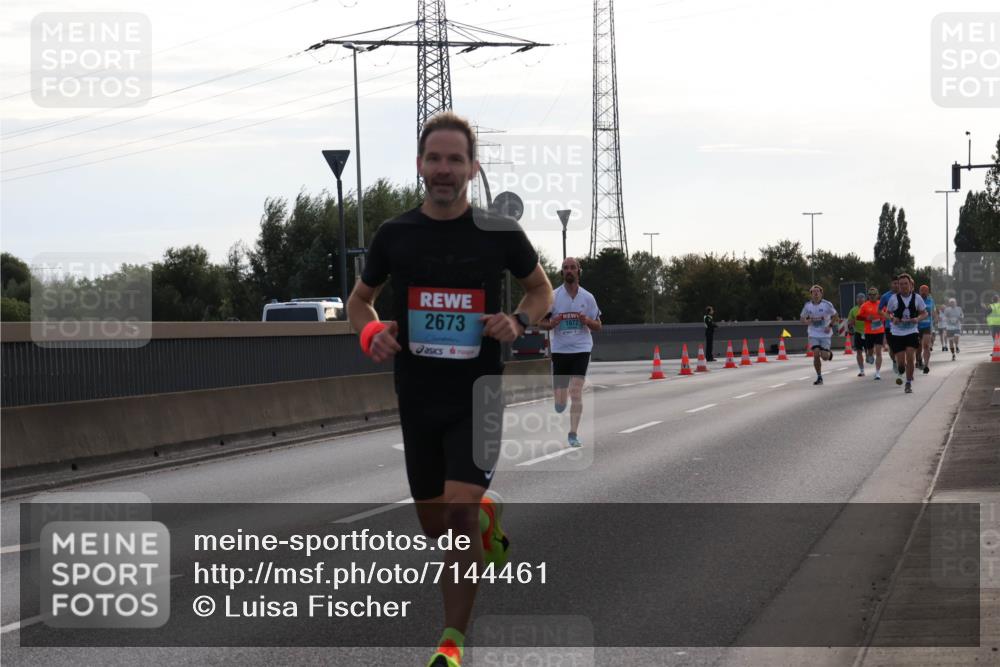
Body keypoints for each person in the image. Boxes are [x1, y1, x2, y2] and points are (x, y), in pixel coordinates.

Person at [347, 111, 553, 667]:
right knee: (438, 524)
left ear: (471, 167)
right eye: (434, 159)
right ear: (420, 166)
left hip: (477, 396)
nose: (444, 169)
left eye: (454, 159)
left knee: (458, 515)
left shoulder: (499, 234)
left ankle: (451, 644)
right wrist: (371, 329)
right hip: (417, 397)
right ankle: (486, 517)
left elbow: (541, 291)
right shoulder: (395, 235)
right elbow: (358, 300)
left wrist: (519, 321)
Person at [539, 257, 602, 448]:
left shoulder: (588, 298)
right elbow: (540, 322)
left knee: (576, 392)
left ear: (578, 271)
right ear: (562, 272)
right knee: (560, 401)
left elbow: (598, 326)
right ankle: (559, 402)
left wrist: (587, 322)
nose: (569, 270)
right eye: (565, 268)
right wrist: (552, 323)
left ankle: (573, 434)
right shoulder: (553, 296)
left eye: (572, 267)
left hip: (581, 348)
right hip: (560, 350)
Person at [884, 273, 927, 394]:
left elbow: (925, 313)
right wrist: (893, 319)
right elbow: (887, 313)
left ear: (910, 285)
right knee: (901, 363)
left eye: (905, 284)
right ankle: (901, 369)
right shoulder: (893, 299)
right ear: (898, 285)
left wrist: (917, 319)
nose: (903, 286)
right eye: (901, 284)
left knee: (910, 356)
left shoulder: (917, 298)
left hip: (912, 331)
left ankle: (908, 383)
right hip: (897, 333)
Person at [800, 285, 839, 385]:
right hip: (813, 333)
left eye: (818, 292)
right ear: (811, 294)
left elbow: (835, 316)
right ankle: (819, 377)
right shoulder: (807, 306)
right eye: (814, 292)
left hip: (825, 334)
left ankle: (829, 354)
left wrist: (830, 326)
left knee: (824, 357)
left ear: (821, 294)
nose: (816, 294)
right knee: (816, 354)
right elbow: (802, 319)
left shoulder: (827, 304)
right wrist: (806, 321)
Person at [856, 286, 886, 380]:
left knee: (878, 352)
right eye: (870, 295)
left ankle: (877, 373)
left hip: (879, 331)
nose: (872, 296)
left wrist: (882, 318)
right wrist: (866, 318)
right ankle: (869, 355)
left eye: (874, 295)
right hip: (869, 332)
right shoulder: (864, 305)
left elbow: (886, 314)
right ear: (868, 296)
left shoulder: (881, 304)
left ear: (877, 295)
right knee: (870, 353)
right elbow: (858, 317)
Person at [878, 276, 901, 379]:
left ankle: (901, 365)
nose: (896, 285)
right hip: (889, 326)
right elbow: (879, 310)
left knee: (900, 348)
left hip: (902, 326)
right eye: (894, 283)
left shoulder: (904, 295)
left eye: (897, 283)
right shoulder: (885, 296)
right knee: (892, 350)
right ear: (891, 284)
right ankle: (894, 361)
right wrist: (888, 317)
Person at [846, 292, 867, 376]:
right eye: (858, 298)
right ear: (856, 300)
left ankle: (869, 356)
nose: (860, 300)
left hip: (868, 332)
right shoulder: (853, 310)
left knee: (869, 352)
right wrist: (851, 324)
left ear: (865, 299)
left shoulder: (868, 307)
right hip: (858, 332)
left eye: (862, 298)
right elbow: (849, 321)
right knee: (859, 351)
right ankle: (861, 370)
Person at [917, 284, 935, 373]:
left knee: (926, 345)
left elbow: (934, 312)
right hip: (916, 326)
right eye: (922, 290)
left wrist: (935, 320)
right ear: (919, 291)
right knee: (918, 347)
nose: (923, 292)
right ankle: (919, 359)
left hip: (927, 326)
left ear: (928, 292)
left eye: (925, 291)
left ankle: (926, 365)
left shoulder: (931, 301)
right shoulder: (916, 300)